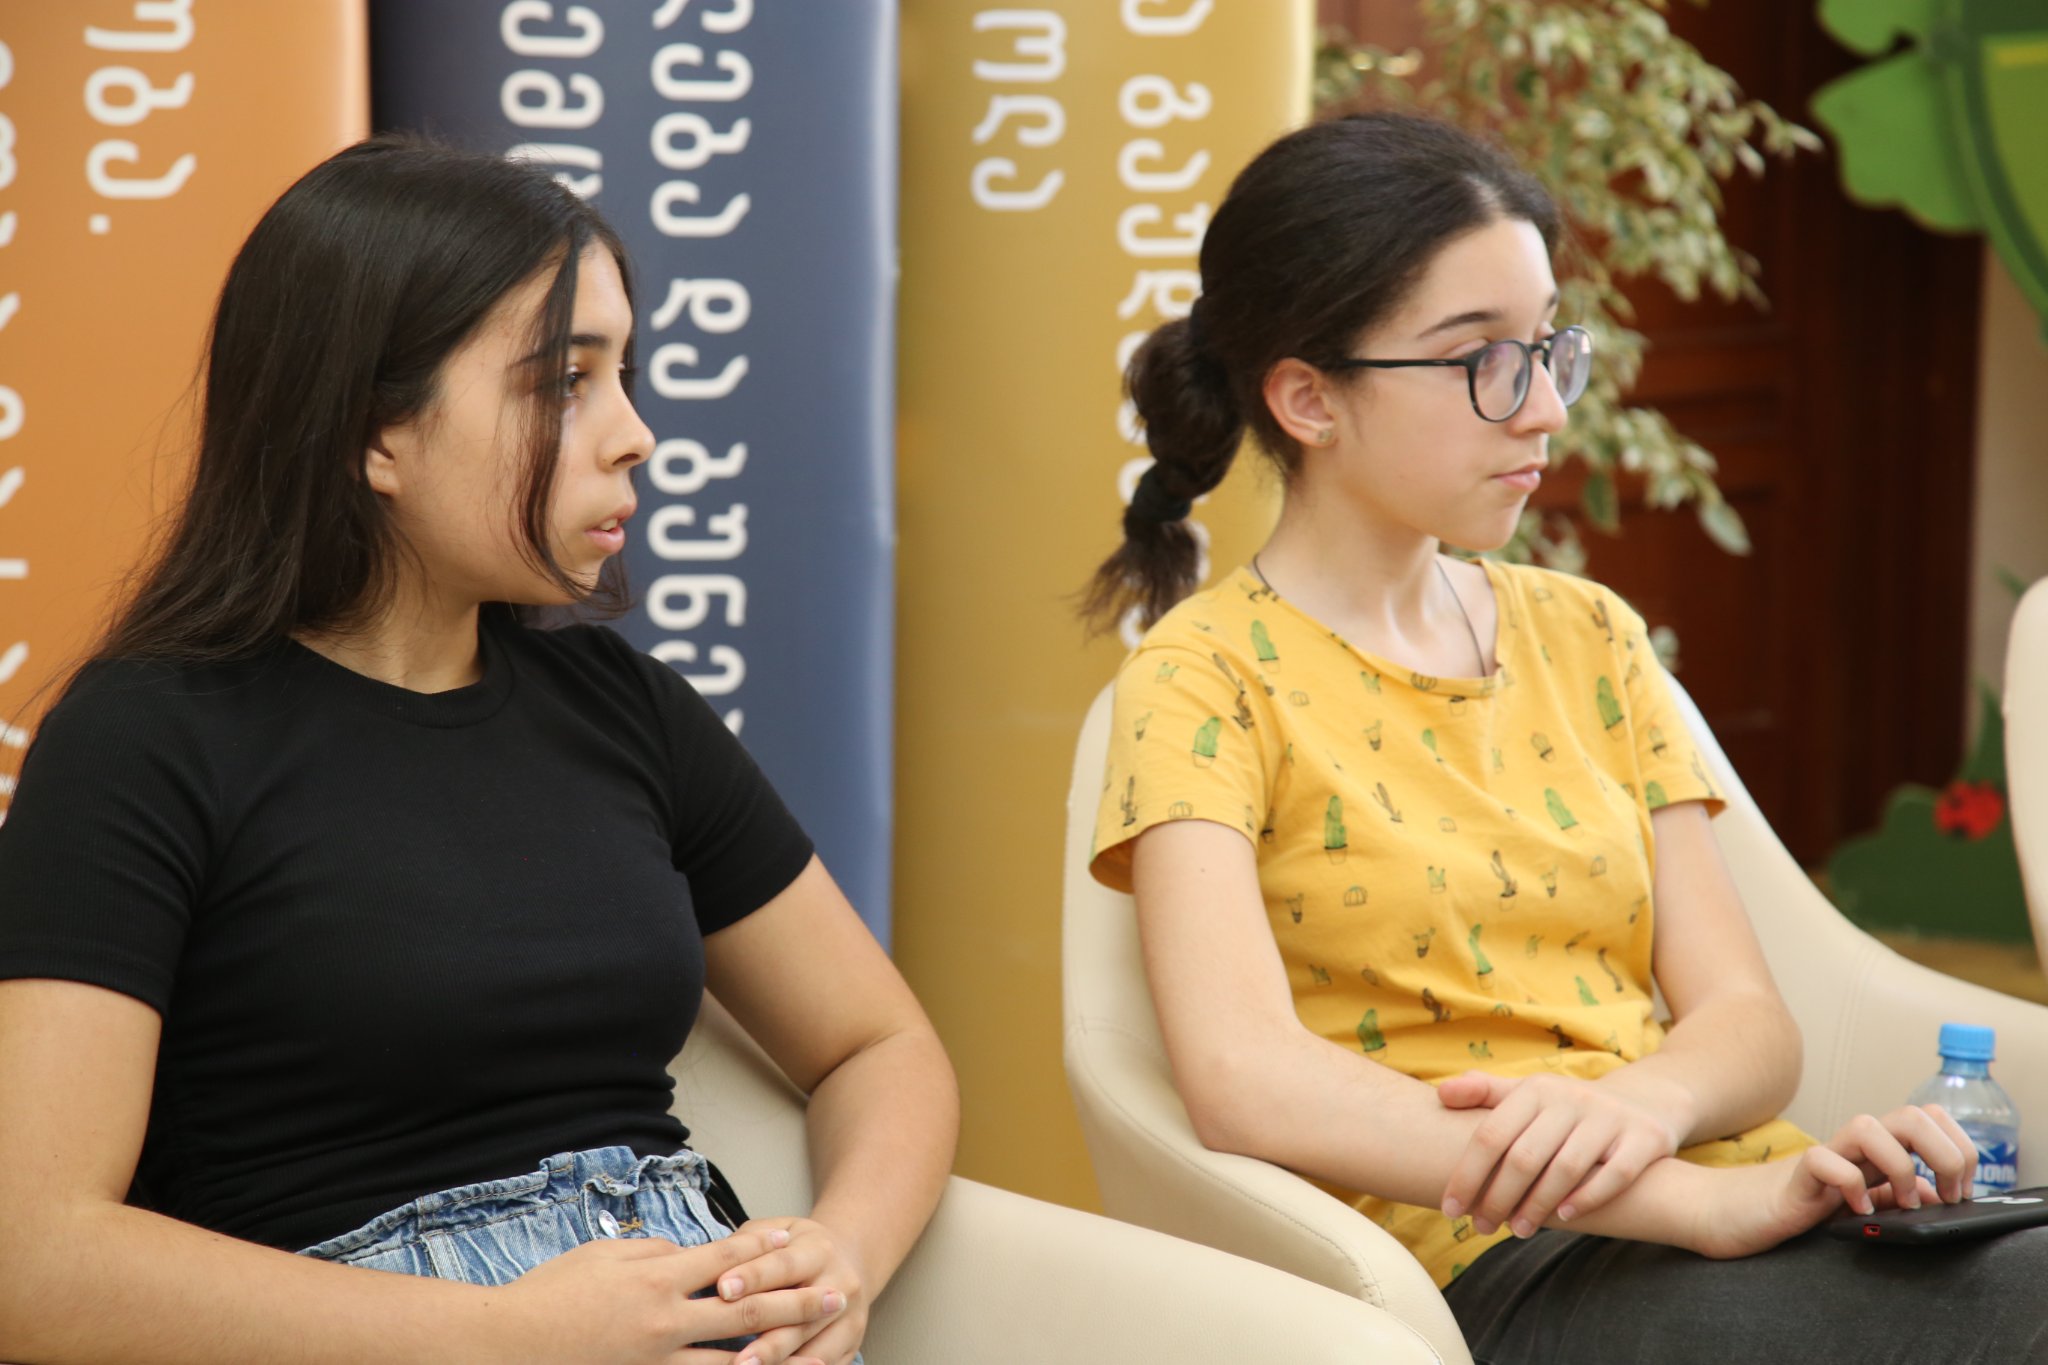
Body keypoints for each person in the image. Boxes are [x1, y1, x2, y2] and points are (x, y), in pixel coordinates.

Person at [1081, 111, 2046, 1361]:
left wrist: (1648, 1109)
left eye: (1545, 348)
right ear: (1308, 398)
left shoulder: (1586, 634)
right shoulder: (1201, 678)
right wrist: (1681, 1200)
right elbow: (1243, 1081)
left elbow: (1747, 1020)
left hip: (1748, 1205)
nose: (1541, 407)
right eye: (1480, 359)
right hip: (1498, 1264)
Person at [0, 136, 956, 1365]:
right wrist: (508, 1335)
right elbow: (32, 1258)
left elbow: (880, 1045)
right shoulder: (144, 737)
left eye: (624, 375)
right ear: (373, 434)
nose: (635, 436)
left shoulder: (624, 707)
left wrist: (842, 1253)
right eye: (564, 383)